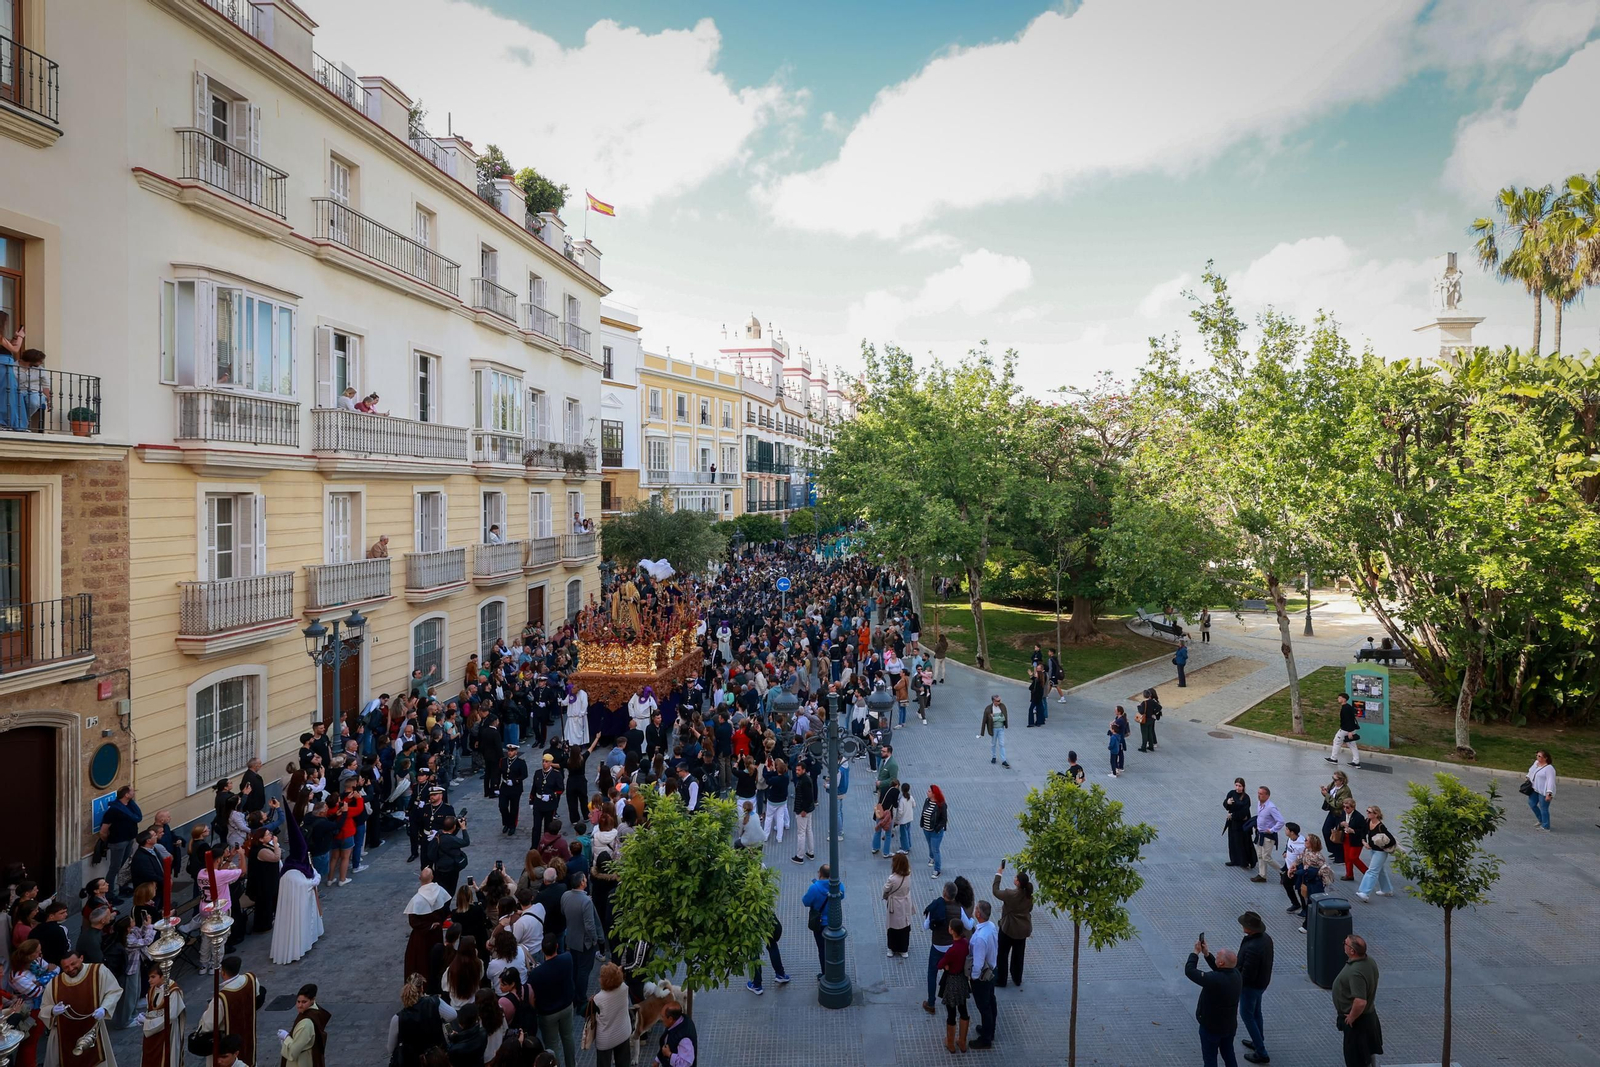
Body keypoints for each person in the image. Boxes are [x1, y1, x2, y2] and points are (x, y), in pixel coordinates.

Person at [40, 951, 122, 1067]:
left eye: (73, 964)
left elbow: (113, 991)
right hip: (65, 1035)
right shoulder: (54, 984)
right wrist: (52, 1010)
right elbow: (44, 1007)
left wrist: (104, 1008)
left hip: (93, 1031)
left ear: (81, 958)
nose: (70, 968)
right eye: (66, 967)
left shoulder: (98, 971)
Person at [272, 809, 324, 965]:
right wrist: (316, 878)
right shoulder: (292, 874)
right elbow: (307, 884)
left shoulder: (292, 868)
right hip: (296, 905)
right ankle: (295, 948)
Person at [1184, 937, 1241, 1067]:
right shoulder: (1236, 975)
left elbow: (1190, 971)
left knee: (1210, 1058)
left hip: (1211, 1027)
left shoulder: (1215, 980)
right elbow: (1220, 970)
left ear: (1221, 963)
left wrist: (1195, 952)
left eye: (1217, 956)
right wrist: (1207, 954)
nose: (1216, 956)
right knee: (1228, 1054)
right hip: (1229, 1025)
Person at [195, 955, 260, 1067]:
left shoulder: (221, 998)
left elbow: (208, 1025)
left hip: (226, 1041)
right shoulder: (251, 979)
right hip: (247, 1033)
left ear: (223, 972)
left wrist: (206, 1012)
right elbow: (257, 996)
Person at [1331, 935, 1382, 1067]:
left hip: (1359, 1023)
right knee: (1367, 1056)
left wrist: (1351, 1018)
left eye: (1345, 943)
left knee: (1356, 1059)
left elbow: (1360, 1001)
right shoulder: (1369, 961)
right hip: (1367, 1019)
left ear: (1352, 951)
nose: (1343, 945)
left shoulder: (1356, 972)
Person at [528, 939, 576, 1067]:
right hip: (566, 1007)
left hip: (548, 1014)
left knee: (552, 1044)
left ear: (542, 950)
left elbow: (532, 996)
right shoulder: (567, 959)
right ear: (557, 946)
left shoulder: (536, 973)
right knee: (568, 1037)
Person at [390, 973, 454, 1067]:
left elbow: (391, 1048)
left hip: (412, 1061)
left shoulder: (398, 1018)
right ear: (422, 988)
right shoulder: (434, 1002)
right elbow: (452, 1015)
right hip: (435, 1058)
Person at [1236, 912, 1274, 1064]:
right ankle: (1258, 1039)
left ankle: (1261, 1051)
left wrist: (1237, 985)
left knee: (1247, 1015)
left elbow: (1248, 974)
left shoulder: (1253, 946)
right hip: (1261, 983)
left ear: (1250, 928)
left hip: (1251, 987)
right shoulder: (1266, 939)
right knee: (1256, 1012)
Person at [404, 868, 453, 982]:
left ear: (420, 878)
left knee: (421, 961)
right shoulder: (441, 891)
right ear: (432, 877)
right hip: (436, 934)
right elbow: (445, 910)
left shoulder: (416, 900)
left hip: (422, 937)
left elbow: (413, 922)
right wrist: (438, 923)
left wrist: (429, 926)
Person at [990, 865, 1033, 989]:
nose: (1014, 878)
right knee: (1018, 954)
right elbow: (1030, 909)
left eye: (1016, 877)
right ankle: (1017, 978)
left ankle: (1001, 979)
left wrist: (999, 873)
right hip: (1023, 929)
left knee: (1002, 954)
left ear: (1018, 883)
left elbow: (995, 891)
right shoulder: (1029, 895)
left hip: (1008, 928)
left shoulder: (1010, 894)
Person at [140, 960, 187, 1067]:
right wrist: (144, 1017)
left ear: (162, 977)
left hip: (168, 1031)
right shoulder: (152, 989)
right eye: (149, 977)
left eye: (153, 977)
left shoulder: (173, 991)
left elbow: (171, 1015)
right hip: (153, 1031)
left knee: (166, 1059)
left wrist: (148, 1023)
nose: (149, 980)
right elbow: (151, 1009)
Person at [937, 915, 972, 1054]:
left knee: (951, 1012)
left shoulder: (952, 950)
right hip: (962, 980)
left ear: (952, 930)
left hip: (951, 981)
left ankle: (950, 1043)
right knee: (963, 1010)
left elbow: (940, 964)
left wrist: (946, 966)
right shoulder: (965, 943)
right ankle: (962, 1041)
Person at [921, 880, 956, 1016]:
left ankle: (931, 1003)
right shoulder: (958, 908)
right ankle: (952, 1000)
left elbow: (925, 926)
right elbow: (968, 922)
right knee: (952, 974)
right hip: (951, 947)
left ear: (943, 893)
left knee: (932, 973)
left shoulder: (936, 906)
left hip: (937, 946)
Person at [968, 901, 999, 1049]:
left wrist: (973, 978)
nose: (974, 910)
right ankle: (990, 1030)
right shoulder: (991, 926)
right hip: (992, 969)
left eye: (976, 909)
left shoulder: (980, 938)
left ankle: (986, 1038)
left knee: (984, 1006)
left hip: (982, 976)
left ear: (978, 914)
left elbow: (978, 964)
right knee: (991, 1001)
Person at [277, 984, 330, 1067]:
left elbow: (293, 1052)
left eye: (304, 1002)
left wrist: (286, 1038)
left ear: (312, 1000)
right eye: (298, 1001)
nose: (299, 1005)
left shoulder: (306, 1024)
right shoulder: (315, 1013)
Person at [590, 962, 633, 1066]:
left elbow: (586, 1012)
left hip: (606, 1039)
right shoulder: (624, 988)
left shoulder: (598, 998)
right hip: (623, 1032)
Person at [1355, 806, 1398, 903]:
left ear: (1376, 814)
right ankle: (1387, 890)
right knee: (1380, 870)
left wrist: (1382, 846)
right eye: (1367, 811)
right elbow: (1363, 832)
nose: (1367, 813)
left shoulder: (1380, 827)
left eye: (1370, 812)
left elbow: (1392, 841)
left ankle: (1364, 893)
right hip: (1372, 850)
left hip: (1380, 852)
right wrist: (1364, 842)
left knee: (1372, 871)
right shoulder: (1367, 821)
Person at [801, 865, 835, 978]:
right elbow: (842, 895)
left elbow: (806, 901)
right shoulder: (837, 884)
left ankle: (825, 974)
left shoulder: (814, 888)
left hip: (820, 923)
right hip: (834, 922)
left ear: (820, 874)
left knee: (822, 949)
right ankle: (835, 970)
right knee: (834, 947)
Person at [747, 910, 791, 994]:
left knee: (753, 950)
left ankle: (757, 984)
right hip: (764, 915)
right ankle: (780, 974)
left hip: (749, 919)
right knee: (772, 944)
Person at [883, 853, 913, 959]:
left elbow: (886, 889)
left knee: (893, 926)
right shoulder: (908, 874)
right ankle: (903, 949)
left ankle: (891, 948)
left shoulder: (892, 878)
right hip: (906, 901)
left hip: (895, 904)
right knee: (905, 924)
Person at [1252, 786, 1284, 884]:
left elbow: (1281, 821)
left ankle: (1283, 871)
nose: (1259, 795)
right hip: (1260, 833)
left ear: (1267, 795)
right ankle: (1262, 875)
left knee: (1266, 856)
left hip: (1268, 836)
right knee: (1260, 855)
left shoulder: (1271, 807)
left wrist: (1272, 830)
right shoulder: (1259, 804)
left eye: (1261, 794)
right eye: (1258, 793)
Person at [1223, 778, 1254, 869]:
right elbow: (1226, 805)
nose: (1237, 788)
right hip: (1232, 823)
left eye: (1239, 786)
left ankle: (1244, 861)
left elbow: (1244, 812)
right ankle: (1234, 860)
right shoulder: (1231, 793)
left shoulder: (1246, 797)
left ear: (1243, 787)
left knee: (1242, 842)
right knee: (1232, 841)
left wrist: (1232, 815)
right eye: (1236, 785)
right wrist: (1227, 803)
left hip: (1242, 824)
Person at [1325, 692, 1362, 768]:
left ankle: (1333, 758)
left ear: (1344, 699)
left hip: (1346, 730)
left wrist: (1350, 731)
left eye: (1340, 698)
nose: (1338, 699)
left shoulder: (1345, 708)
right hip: (1351, 729)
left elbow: (1348, 720)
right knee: (1352, 745)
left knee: (1337, 741)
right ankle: (1356, 762)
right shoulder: (1348, 707)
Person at [1335, 797, 1369, 882]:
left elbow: (1363, 830)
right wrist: (1341, 824)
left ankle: (1367, 872)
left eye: (1347, 807)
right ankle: (1349, 874)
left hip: (1356, 840)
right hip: (1346, 838)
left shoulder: (1359, 817)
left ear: (1353, 807)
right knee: (1347, 857)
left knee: (1353, 857)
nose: (1345, 809)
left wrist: (1353, 830)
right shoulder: (1343, 814)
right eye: (1344, 807)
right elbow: (1338, 824)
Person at [920, 785, 948, 879]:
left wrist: (937, 828)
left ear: (934, 794)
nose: (927, 792)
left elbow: (944, 819)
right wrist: (922, 823)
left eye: (929, 791)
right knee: (929, 844)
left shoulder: (941, 805)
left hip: (936, 831)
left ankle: (937, 869)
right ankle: (931, 857)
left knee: (935, 849)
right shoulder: (927, 801)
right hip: (926, 829)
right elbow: (923, 812)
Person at [791, 759, 817, 862]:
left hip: (802, 811)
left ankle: (800, 856)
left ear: (804, 770)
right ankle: (811, 852)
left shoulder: (804, 781)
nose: (796, 771)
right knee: (808, 830)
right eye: (796, 770)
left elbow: (808, 797)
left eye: (798, 770)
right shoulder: (806, 779)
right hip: (808, 810)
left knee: (801, 833)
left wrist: (803, 810)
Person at [657, 1001, 696, 1067]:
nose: (661, 1019)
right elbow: (666, 1042)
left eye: (663, 1017)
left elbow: (686, 1063)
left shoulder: (684, 1038)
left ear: (670, 1019)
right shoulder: (673, 1023)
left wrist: (669, 1054)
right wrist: (658, 1060)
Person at [1526, 749, 1556, 831]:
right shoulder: (1536, 763)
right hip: (1535, 789)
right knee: (1532, 803)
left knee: (1544, 808)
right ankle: (1541, 820)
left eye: (1539, 756)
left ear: (1545, 758)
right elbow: (1531, 771)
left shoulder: (1549, 768)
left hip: (1544, 791)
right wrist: (1528, 776)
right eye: (1537, 755)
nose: (1537, 757)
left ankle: (1546, 826)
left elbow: (1551, 781)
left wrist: (1549, 793)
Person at [982, 695, 1009, 768]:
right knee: (993, 743)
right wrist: (998, 717)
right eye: (998, 701)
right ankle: (993, 757)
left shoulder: (1002, 706)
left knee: (1002, 744)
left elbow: (1004, 718)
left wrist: (994, 717)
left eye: (1000, 700)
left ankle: (1004, 760)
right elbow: (986, 719)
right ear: (993, 701)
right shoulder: (988, 708)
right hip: (993, 729)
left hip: (1001, 728)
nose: (999, 702)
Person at [1135, 688, 1161, 752]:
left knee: (1144, 734)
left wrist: (1138, 706)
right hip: (1151, 720)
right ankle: (1151, 746)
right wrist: (1154, 713)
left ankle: (1143, 747)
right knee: (1150, 732)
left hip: (1145, 720)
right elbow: (1159, 707)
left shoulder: (1144, 703)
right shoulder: (1153, 702)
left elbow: (1141, 711)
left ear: (1144, 696)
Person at [1106, 707, 1129, 777]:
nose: (1114, 712)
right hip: (1120, 737)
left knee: (1119, 753)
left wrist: (1111, 725)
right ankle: (1119, 766)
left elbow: (1113, 726)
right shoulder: (1119, 718)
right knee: (1120, 752)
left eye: (1116, 710)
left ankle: (1117, 768)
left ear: (1119, 712)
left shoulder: (1120, 720)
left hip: (1119, 738)